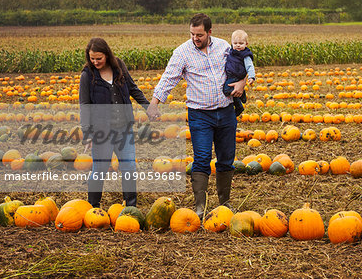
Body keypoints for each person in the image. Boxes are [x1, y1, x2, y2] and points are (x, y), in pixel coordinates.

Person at [147, 13, 246, 219]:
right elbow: (169, 78)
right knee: (201, 159)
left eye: (199, 34)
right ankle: (200, 207)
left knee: (226, 158)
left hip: (226, 111)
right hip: (200, 114)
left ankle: (224, 204)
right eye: (192, 34)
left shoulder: (224, 47)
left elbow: (243, 64)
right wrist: (155, 103)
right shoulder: (182, 52)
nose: (195, 38)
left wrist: (243, 82)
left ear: (209, 32)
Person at [79, 37, 149, 208]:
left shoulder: (118, 66)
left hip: (124, 128)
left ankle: (131, 207)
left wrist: (148, 107)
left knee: (129, 168)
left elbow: (132, 88)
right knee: (100, 170)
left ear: (107, 55)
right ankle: (93, 208)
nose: (95, 62)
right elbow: (85, 105)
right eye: (92, 58)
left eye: (99, 58)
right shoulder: (87, 75)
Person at [224, 29, 255, 116]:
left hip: (237, 76)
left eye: (241, 43)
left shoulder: (245, 55)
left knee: (226, 90)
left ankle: (239, 103)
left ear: (246, 44)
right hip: (230, 76)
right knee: (231, 91)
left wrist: (251, 77)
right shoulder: (231, 51)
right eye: (235, 43)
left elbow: (250, 66)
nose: (238, 45)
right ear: (232, 43)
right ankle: (240, 98)